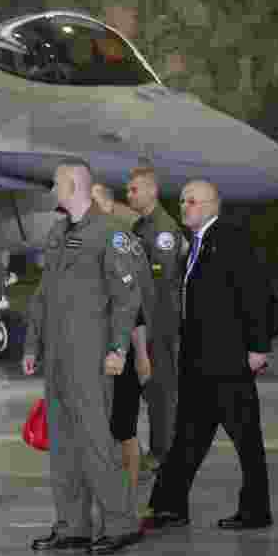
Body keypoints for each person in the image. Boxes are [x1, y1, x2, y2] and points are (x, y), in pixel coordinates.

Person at [23, 160, 144, 555]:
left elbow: (127, 299)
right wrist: (31, 344)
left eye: (57, 182)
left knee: (95, 443)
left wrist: (118, 349)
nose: (53, 188)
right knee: (62, 445)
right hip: (58, 357)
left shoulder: (110, 233)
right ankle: (72, 525)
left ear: (74, 184)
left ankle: (122, 523)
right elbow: (42, 295)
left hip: (92, 357)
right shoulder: (59, 233)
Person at [145, 180, 273, 531]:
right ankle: (170, 505)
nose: (185, 207)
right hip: (198, 360)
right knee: (188, 435)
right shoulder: (196, 246)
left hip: (228, 359)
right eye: (183, 201)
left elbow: (254, 293)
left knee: (246, 438)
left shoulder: (230, 239)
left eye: (193, 202)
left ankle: (256, 510)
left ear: (213, 205)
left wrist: (258, 347)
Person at [92, 183, 156, 493]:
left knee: (124, 427)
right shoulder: (82, 243)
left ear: (106, 207)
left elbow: (135, 307)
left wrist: (142, 355)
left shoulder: (120, 243)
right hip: (90, 351)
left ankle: (129, 494)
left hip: (121, 351)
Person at [126, 166, 186, 470]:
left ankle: (164, 452)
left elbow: (159, 282)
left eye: (134, 189)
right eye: (128, 190)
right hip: (145, 320)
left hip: (160, 322)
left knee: (161, 389)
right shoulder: (140, 227)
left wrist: (149, 324)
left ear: (152, 191)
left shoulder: (163, 229)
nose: (129, 194)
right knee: (150, 387)